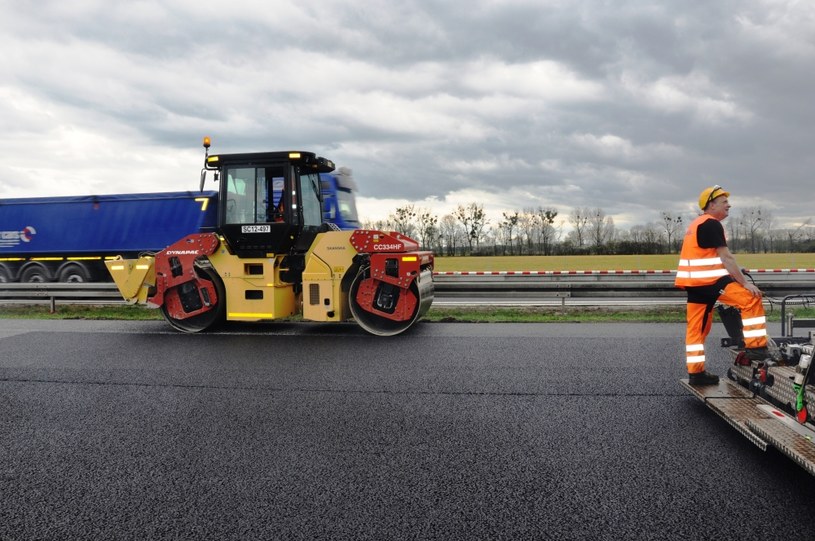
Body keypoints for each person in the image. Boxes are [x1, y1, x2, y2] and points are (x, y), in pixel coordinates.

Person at [675, 185, 769, 386]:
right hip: (711, 282)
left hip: (695, 285)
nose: (729, 205)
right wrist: (743, 283)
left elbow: (708, 257)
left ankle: (696, 373)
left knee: (696, 330)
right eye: (724, 202)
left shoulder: (697, 224)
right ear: (711, 204)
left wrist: (735, 270)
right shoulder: (712, 224)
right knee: (751, 298)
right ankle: (756, 349)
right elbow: (725, 256)